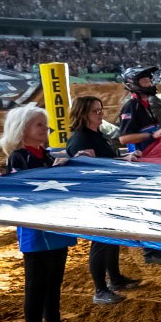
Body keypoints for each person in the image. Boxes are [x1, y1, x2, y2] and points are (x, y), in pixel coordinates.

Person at [0, 105, 92, 322]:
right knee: (36, 286)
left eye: (45, 124)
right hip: (36, 228)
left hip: (55, 225)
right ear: (22, 129)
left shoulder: (45, 155)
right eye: (39, 124)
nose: (46, 129)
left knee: (53, 283)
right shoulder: (19, 157)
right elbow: (24, 190)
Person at [64, 95, 142, 305]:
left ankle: (115, 278)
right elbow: (89, 167)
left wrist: (124, 158)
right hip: (95, 196)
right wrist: (121, 160)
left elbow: (107, 159)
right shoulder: (81, 138)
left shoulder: (98, 134)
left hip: (109, 192)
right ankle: (100, 289)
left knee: (111, 238)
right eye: (95, 111)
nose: (100, 114)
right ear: (83, 114)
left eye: (101, 110)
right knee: (100, 242)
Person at [115, 67, 161, 265]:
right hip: (141, 163)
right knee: (148, 205)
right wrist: (152, 135)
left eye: (149, 80)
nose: (150, 83)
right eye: (145, 81)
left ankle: (157, 245)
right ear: (133, 83)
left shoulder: (145, 105)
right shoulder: (131, 107)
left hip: (152, 162)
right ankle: (150, 252)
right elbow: (124, 138)